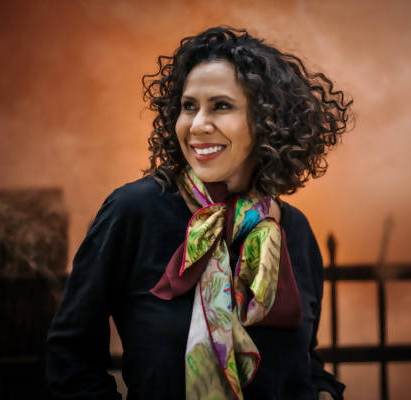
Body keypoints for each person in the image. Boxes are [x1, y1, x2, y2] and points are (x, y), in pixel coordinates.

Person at [46, 26, 353, 400]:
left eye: (221, 106)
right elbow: (71, 355)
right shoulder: (134, 212)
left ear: (267, 121)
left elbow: (302, 361)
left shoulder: (294, 229)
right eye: (189, 106)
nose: (196, 125)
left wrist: (322, 390)